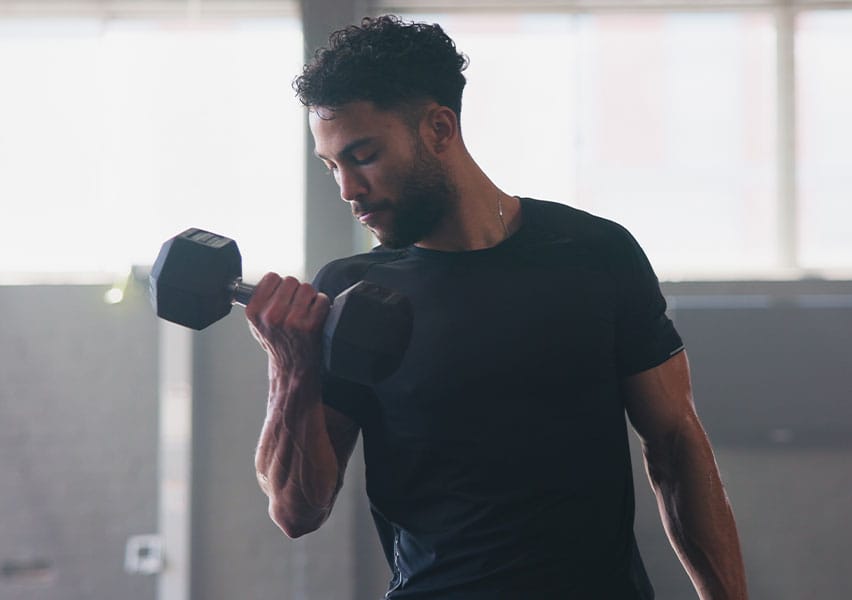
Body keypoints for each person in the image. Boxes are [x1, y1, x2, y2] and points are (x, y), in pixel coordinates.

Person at [244, 15, 747, 599]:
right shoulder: (352, 292)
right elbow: (297, 511)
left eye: (363, 155)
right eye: (332, 166)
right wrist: (291, 365)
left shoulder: (594, 252)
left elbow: (676, 444)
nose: (347, 189)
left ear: (438, 128)